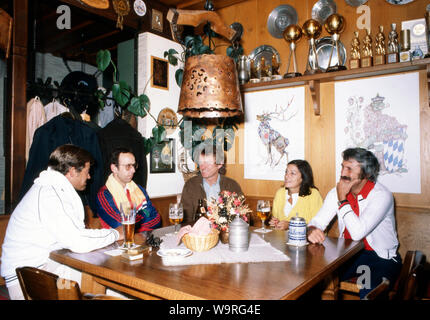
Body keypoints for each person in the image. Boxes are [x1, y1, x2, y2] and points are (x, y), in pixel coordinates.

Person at [1, 144, 121, 300]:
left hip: (39, 267)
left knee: (106, 283)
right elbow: (78, 242)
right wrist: (116, 233)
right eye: (87, 172)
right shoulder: (50, 193)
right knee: (114, 290)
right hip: (28, 280)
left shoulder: (51, 188)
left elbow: (74, 235)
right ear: (71, 171)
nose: (89, 177)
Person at [307, 148, 402, 299]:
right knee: (313, 281)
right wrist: (311, 230)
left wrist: (343, 200)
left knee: (368, 290)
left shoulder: (382, 195)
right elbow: (317, 222)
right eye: (342, 166)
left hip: (381, 257)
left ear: (367, 173)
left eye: (349, 168)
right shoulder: (336, 192)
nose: (343, 173)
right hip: (348, 255)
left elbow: (358, 233)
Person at [96, 147, 161, 234]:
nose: (133, 170)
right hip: (118, 244)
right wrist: (144, 213)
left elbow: (157, 220)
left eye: (134, 165)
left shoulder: (139, 189)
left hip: (142, 240)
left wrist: (134, 218)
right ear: (114, 168)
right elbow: (121, 226)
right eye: (128, 166)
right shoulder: (104, 195)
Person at [181, 146, 243, 223]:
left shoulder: (232, 186)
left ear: (219, 164)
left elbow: (241, 216)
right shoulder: (191, 185)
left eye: (207, 163)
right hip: (199, 233)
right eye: (201, 162)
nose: (202, 167)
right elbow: (186, 219)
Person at [269, 160, 323, 230]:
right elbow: (275, 223)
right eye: (286, 172)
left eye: (292, 173)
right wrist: (275, 223)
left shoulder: (313, 194)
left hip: (306, 240)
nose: (287, 176)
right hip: (281, 239)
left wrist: (291, 225)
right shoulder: (280, 193)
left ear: (303, 177)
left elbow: (318, 227)